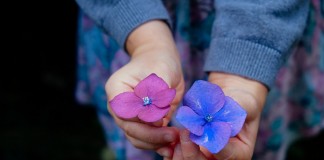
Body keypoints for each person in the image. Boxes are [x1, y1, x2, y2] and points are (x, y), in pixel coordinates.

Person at [74, 0, 323, 159]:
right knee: (144, 136)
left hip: (261, 32)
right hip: (134, 26)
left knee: (251, 137)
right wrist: (147, 42)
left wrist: (244, 68)